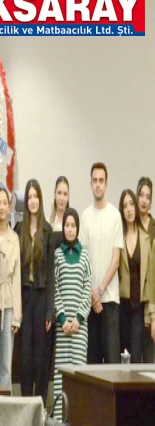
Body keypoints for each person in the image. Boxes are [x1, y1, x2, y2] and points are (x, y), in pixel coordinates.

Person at [80, 162, 124, 364]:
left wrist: (100, 290)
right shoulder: (85, 216)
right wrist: (92, 293)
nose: (98, 184)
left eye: (101, 181)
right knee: (93, 363)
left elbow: (116, 260)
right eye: (95, 181)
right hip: (89, 302)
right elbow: (83, 259)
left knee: (113, 362)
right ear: (90, 184)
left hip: (110, 300)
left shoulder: (115, 216)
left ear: (106, 184)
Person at [15, 179, 54, 402]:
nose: (32, 201)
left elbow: (51, 275)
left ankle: (40, 405)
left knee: (40, 358)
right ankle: (25, 404)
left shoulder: (47, 231)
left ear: (40, 199)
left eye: (35, 196)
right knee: (25, 357)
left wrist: (50, 311)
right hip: (24, 297)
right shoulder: (18, 229)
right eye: (29, 197)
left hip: (41, 297)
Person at [52, 208, 92, 420]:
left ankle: (78, 418)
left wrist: (78, 318)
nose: (69, 229)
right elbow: (55, 288)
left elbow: (87, 289)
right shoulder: (57, 255)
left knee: (78, 373)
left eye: (73, 225)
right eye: (66, 225)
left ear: (77, 228)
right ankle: (59, 420)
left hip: (79, 328)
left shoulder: (84, 256)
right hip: (63, 327)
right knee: (61, 375)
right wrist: (62, 319)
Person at [0, 188, 21, 388]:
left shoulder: (14, 238)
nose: (1, 207)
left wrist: (17, 316)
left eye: (4, 203)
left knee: (6, 362)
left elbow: (16, 278)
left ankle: (5, 402)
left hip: (8, 303)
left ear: (9, 207)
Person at [118, 189, 155, 363]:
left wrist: (152, 313)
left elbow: (151, 278)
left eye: (131, 204)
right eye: (125, 206)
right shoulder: (118, 237)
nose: (129, 209)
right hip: (121, 305)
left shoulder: (146, 238)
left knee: (136, 357)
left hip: (139, 307)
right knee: (121, 357)